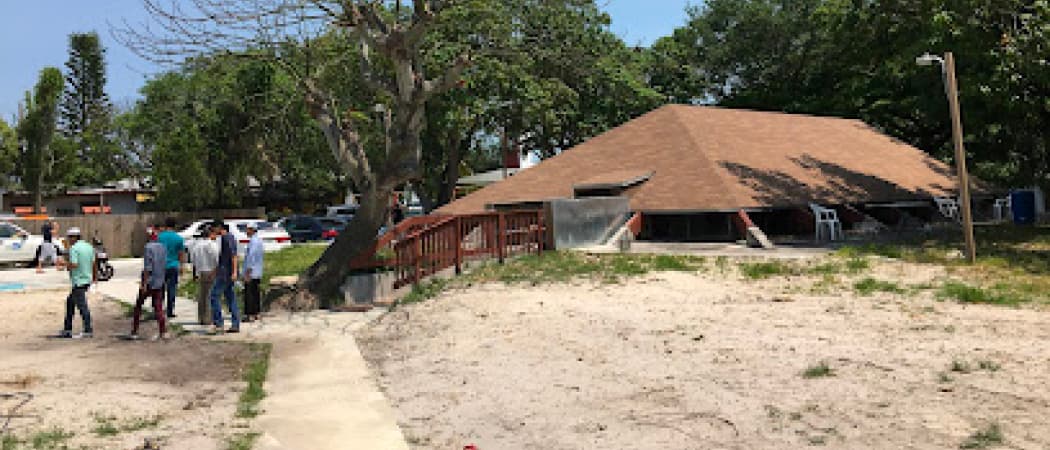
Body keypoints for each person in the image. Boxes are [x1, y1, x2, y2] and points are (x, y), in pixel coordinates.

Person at [58, 227, 94, 338]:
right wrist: (95, 277)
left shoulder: (74, 249)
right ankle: (67, 328)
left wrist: (63, 264)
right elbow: (93, 262)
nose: (68, 240)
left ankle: (87, 329)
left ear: (74, 237)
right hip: (87, 278)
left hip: (78, 280)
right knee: (70, 303)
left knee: (82, 306)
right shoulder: (89, 247)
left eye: (69, 237)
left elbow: (74, 264)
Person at [130, 234, 167, 340]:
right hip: (160, 280)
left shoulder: (148, 248)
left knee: (138, 306)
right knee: (158, 306)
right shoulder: (163, 247)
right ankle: (162, 331)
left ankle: (135, 330)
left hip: (150, 281)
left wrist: (144, 284)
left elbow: (148, 267)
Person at [209, 221, 240, 333]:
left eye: (214, 229)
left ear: (219, 228)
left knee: (214, 296)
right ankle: (235, 324)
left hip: (226, 273)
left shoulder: (227, 238)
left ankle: (218, 323)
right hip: (224, 272)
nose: (213, 232)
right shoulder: (225, 238)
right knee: (230, 297)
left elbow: (234, 255)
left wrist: (234, 272)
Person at [189, 224, 220, 326]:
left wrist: (194, 273)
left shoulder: (196, 245)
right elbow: (216, 259)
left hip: (200, 271)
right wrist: (216, 271)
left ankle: (201, 317)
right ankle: (208, 318)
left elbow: (193, 260)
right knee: (210, 295)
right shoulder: (211, 245)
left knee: (202, 296)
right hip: (211, 271)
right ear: (210, 234)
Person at [156, 217, 186, 318]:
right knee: (172, 288)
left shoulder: (160, 237)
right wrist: (182, 266)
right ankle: (170, 311)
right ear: (175, 226)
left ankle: (159, 310)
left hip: (161, 265)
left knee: (160, 288)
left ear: (165, 225)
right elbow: (181, 253)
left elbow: (156, 251)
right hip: (173, 265)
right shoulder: (178, 238)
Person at [242, 223, 264, 323]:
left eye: (247, 230)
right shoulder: (259, 241)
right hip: (257, 270)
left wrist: (248, 271)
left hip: (251, 272)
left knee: (249, 293)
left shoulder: (253, 242)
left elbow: (251, 256)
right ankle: (256, 312)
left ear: (252, 230)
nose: (246, 232)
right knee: (255, 292)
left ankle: (250, 314)